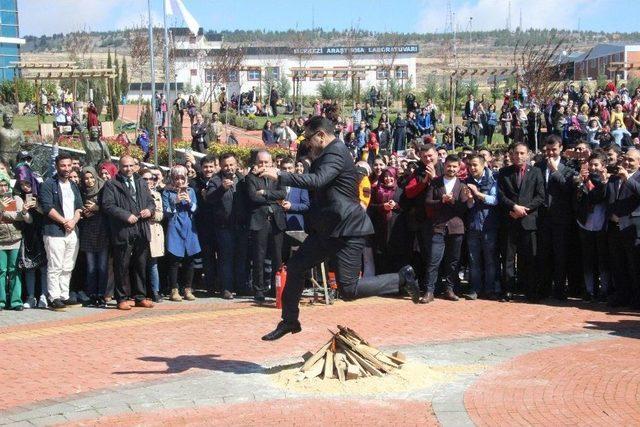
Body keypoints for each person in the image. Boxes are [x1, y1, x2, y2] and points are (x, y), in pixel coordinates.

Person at [258, 117, 420, 341]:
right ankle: (290, 321)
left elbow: (317, 180)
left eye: (309, 138)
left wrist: (282, 175)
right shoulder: (325, 154)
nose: (307, 143)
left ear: (321, 135)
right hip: (327, 230)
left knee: (348, 289)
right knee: (295, 267)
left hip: (348, 229)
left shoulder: (335, 152)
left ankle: (401, 279)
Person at [101, 156, 156, 310]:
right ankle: (122, 298)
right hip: (123, 230)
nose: (129, 169)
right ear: (119, 167)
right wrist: (125, 216)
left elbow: (150, 202)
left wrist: (149, 210)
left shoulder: (141, 182)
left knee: (141, 264)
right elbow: (107, 205)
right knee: (121, 265)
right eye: (125, 166)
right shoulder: (112, 184)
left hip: (141, 229)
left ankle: (140, 296)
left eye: (131, 165)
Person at [422, 155, 473, 303]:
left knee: (453, 261)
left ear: (459, 168)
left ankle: (449, 289)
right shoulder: (435, 183)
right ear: (444, 166)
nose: (451, 169)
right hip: (438, 227)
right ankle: (429, 291)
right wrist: (441, 200)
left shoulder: (462, 185)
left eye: (454, 167)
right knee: (434, 260)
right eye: (449, 166)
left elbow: (465, 208)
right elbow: (428, 202)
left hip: (456, 228)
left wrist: (455, 201)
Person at [498, 142, 546, 301]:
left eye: (522, 153)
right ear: (511, 154)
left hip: (528, 220)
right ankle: (508, 291)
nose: (518, 156)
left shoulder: (536, 172)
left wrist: (524, 210)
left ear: (528, 154)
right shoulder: (503, 172)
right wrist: (514, 207)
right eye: (516, 153)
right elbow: (500, 195)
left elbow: (540, 196)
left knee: (529, 258)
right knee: (508, 258)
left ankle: (530, 290)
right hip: (510, 219)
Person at [38, 153, 84, 311]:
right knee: (55, 266)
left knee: (68, 265)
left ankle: (64, 295)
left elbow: (79, 206)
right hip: (54, 231)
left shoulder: (73, 185)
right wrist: (65, 221)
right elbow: (47, 207)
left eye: (69, 165)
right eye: (63, 165)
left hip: (72, 231)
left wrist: (73, 221)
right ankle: (54, 297)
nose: (66, 168)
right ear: (57, 166)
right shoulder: (48, 184)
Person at [535, 135, 577, 300]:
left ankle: (560, 289)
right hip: (543, 217)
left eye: (554, 149)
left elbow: (569, 189)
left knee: (560, 254)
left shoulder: (568, 167)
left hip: (561, 218)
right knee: (544, 254)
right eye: (548, 150)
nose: (551, 153)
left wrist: (556, 171)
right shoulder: (538, 167)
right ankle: (544, 287)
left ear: (560, 148)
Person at [205, 153, 250, 299]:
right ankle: (226, 288)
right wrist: (221, 189)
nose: (229, 168)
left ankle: (241, 287)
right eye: (226, 165)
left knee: (242, 257)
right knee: (226, 258)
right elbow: (209, 198)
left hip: (241, 226)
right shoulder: (216, 180)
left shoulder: (243, 179)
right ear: (221, 166)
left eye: (231, 165)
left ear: (236, 164)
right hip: (224, 227)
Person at [245, 150, 286, 303]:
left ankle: (276, 289)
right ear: (256, 163)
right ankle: (259, 290)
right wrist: (272, 197)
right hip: (259, 221)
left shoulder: (277, 177)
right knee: (259, 257)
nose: (263, 165)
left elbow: (282, 194)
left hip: (276, 220)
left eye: (266, 162)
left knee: (277, 257)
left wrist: (264, 193)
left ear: (272, 163)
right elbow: (252, 197)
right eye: (260, 162)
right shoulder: (251, 177)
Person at [605, 149, 640, 308]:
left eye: (631, 160)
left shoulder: (636, 178)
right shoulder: (614, 178)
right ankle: (622, 295)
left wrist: (628, 179)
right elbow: (608, 199)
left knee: (634, 266)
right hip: (614, 228)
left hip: (633, 229)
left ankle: (636, 297)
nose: (627, 163)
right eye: (625, 159)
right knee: (618, 264)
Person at [575, 152, 610, 301]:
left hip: (602, 224)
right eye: (592, 164)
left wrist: (602, 182)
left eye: (597, 165)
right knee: (588, 259)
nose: (594, 167)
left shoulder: (608, 181)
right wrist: (580, 183)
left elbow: (599, 197)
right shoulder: (582, 181)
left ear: (603, 166)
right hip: (585, 224)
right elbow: (576, 201)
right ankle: (590, 290)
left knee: (603, 259)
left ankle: (605, 290)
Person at [163, 165, 200, 302]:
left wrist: (190, 202)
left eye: (182, 178)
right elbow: (166, 211)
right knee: (174, 260)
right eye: (176, 178)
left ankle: (188, 289)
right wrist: (176, 201)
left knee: (189, 259)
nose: (179, 181)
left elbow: (196, 208)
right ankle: (174, 289)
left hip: (189, 227)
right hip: (174, 226)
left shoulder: (190, 191)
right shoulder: (167, 192)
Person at [464, 154, 499, 300]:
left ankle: (490, 289)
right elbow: (468, 206)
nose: (472, 168)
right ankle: (475, 289)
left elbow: (495, 200)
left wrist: (477, 194)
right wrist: (470, 200)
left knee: (490, 259)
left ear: (483, 164)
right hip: (473, 225)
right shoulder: (466, 182)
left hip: (489, 225)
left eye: (475, 165)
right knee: (474, 259)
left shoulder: (492, 179)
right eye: (470, 165)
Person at [0, 172, 32, 311]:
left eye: (5, 185)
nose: (3, 189)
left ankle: (15, 301)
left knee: (15, 270)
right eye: (0, 185)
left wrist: (6, 213)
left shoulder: (16, 198)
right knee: (1, 271)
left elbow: (24, 218)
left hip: (15, 239)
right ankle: (1, 302)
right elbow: (16, 216)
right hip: (0, 241)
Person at [78, 167, 109, 308]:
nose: (89, 181)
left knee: (102, 266)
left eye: (91, 177)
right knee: (91, 266)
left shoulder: (104, 188)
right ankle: (92, 294)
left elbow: (110, 206)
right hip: (88, 232)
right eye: (86, 178)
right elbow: (77, 208)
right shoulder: (80, 190)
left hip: (102, 231)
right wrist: (84, 213)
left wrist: (98, 208)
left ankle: (102, 294)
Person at [140, 168, 164, 302]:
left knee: (153, 264)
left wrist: (152, 214)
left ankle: (155, 290)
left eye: (152, 178)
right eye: (145, 179)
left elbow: (161, 214)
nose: (149, 181)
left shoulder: (157, 195)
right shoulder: (135, 193)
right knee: (140, 263)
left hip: (154, 230)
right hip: (140, 230)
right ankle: (141, 291)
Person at [279, 157, 309, 231]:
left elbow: (306, 205)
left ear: (294, 169)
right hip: (278, 224)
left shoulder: (300, 185)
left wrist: (291, 206)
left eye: (290, 168)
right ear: (280, 169)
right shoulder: (275, 183)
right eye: (284, 168)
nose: (287, 171)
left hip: (295, 224)